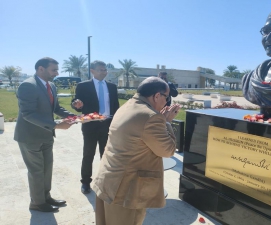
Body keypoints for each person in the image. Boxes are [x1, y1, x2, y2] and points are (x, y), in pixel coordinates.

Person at [92, 77, 181, 225]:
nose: (167, 102)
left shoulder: (127, 106)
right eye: (167, 97)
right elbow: (168, 150)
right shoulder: (151, 116)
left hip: (108, 181)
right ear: (157, 96)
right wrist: (166, 122)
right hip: (125, 191)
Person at [14, 57, 75, 212]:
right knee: (36, 171)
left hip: (47, 135)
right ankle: (37, 203)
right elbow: (28, 114)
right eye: (53, 69)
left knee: (47, 169)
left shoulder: (51, 86)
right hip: (30, 137)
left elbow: (56, 107)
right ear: (41, 69)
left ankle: (45, 197)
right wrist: (56, 125)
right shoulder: (28, 85)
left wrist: (73, 117)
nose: (57, 72)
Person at [71, 60, 120, 194]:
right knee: (88, 154)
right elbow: (76, 102)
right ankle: (86, 182)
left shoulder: (112, 87)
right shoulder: (83, 86)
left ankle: (105, 180)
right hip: (91, 126)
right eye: (101, 70)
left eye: (105, 70)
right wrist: (76, 104)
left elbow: (116, 106)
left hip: (108, 125)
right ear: (92, 71)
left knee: (106, 155)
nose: (104, 72)